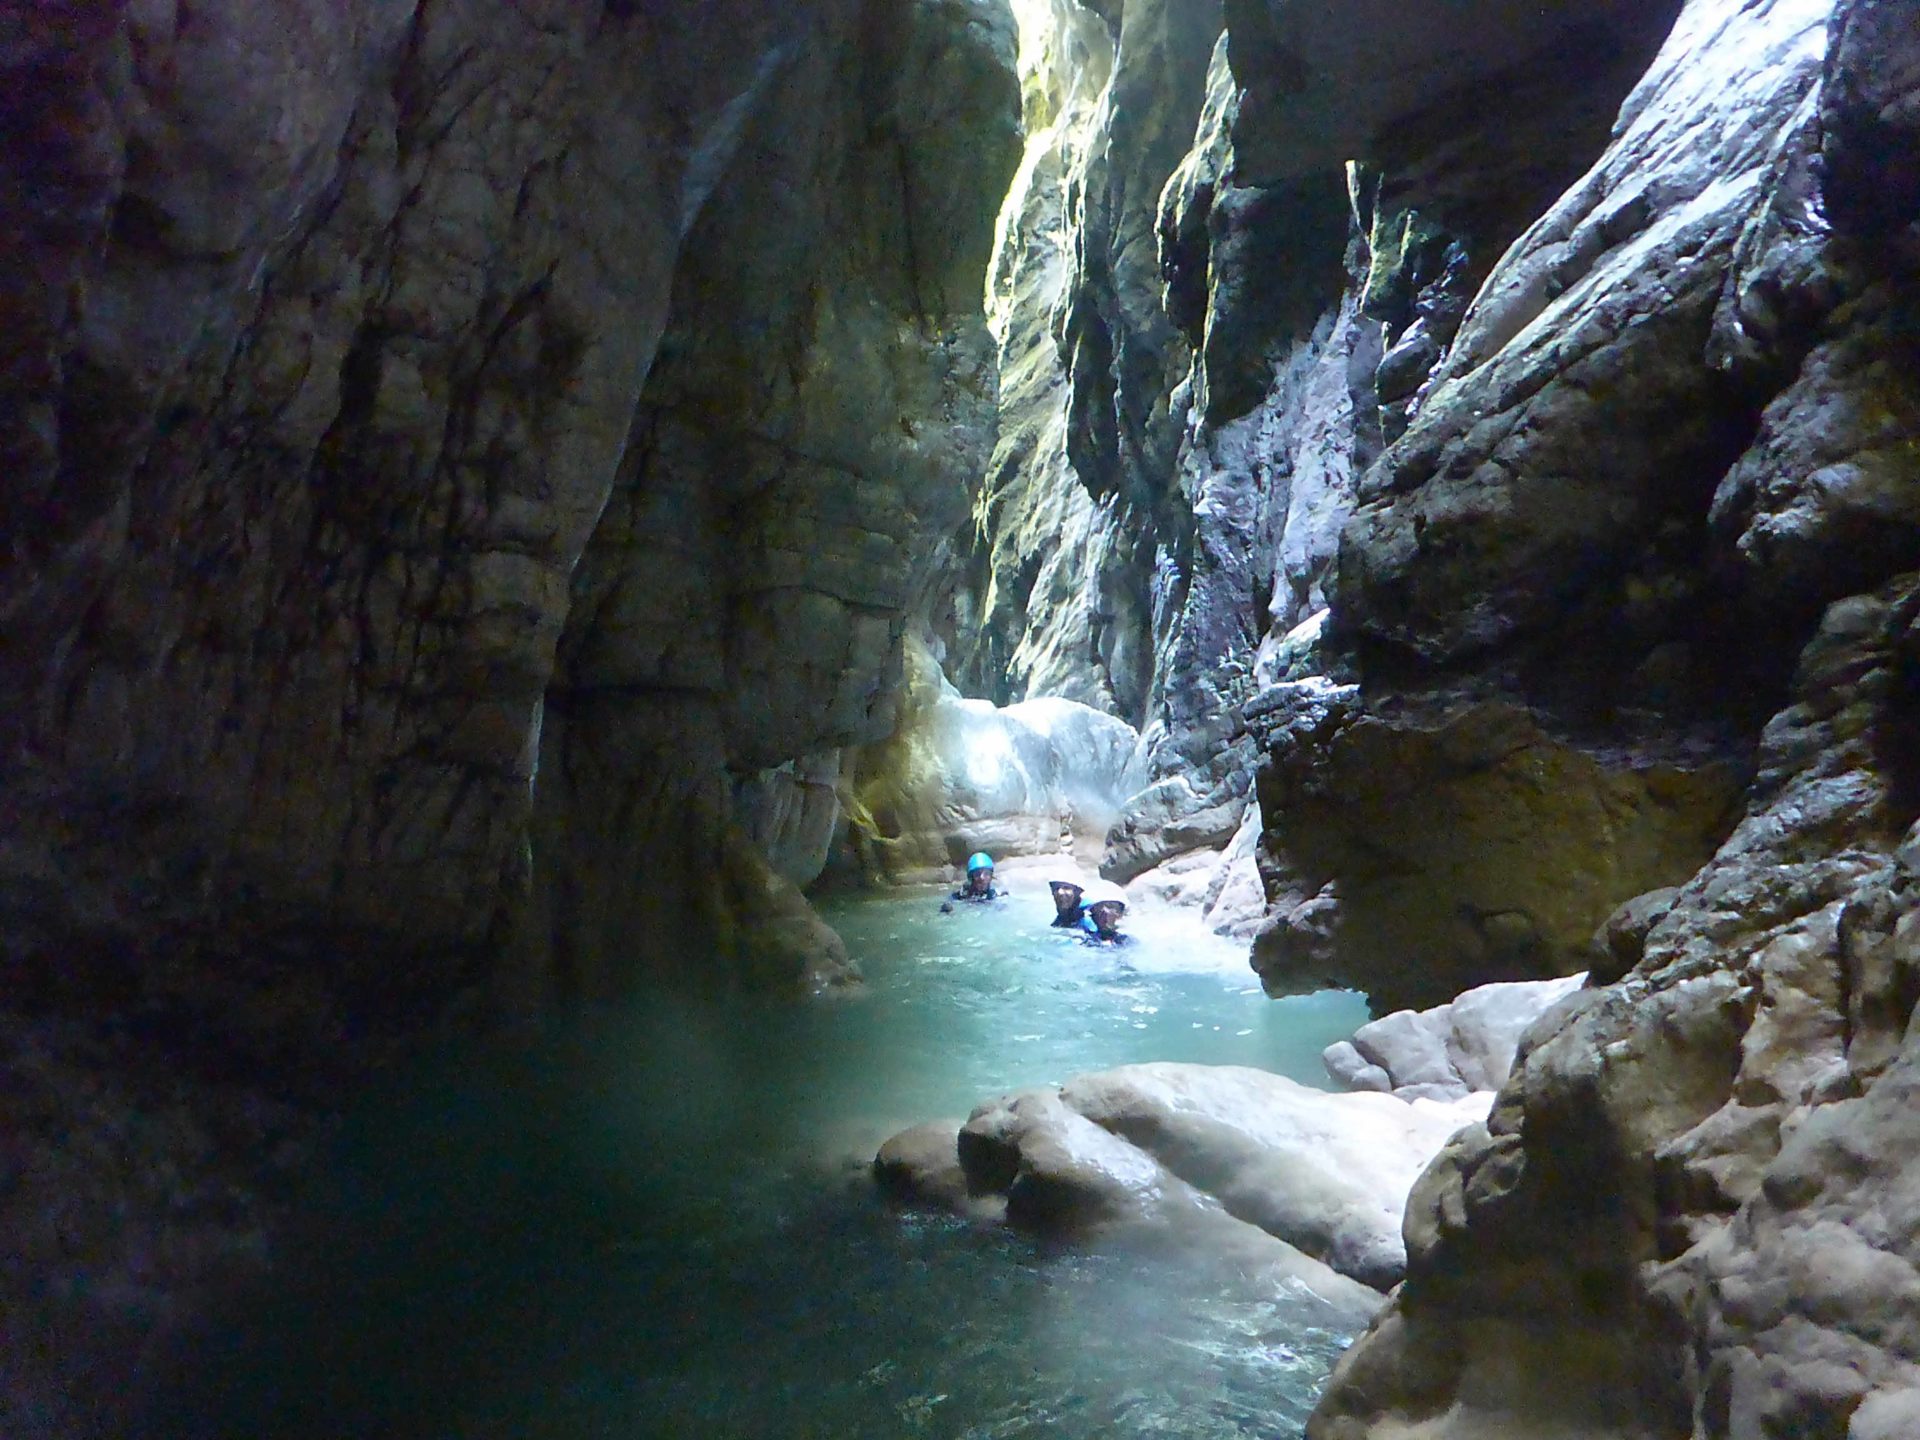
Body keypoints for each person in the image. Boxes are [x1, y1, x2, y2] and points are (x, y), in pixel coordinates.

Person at [1078, 879, 1132, 946]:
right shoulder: (1083, 941)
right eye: (1099, 908)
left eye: (1110, 906)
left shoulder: (1128, 942)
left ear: (1120, 913)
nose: (1104, 913)